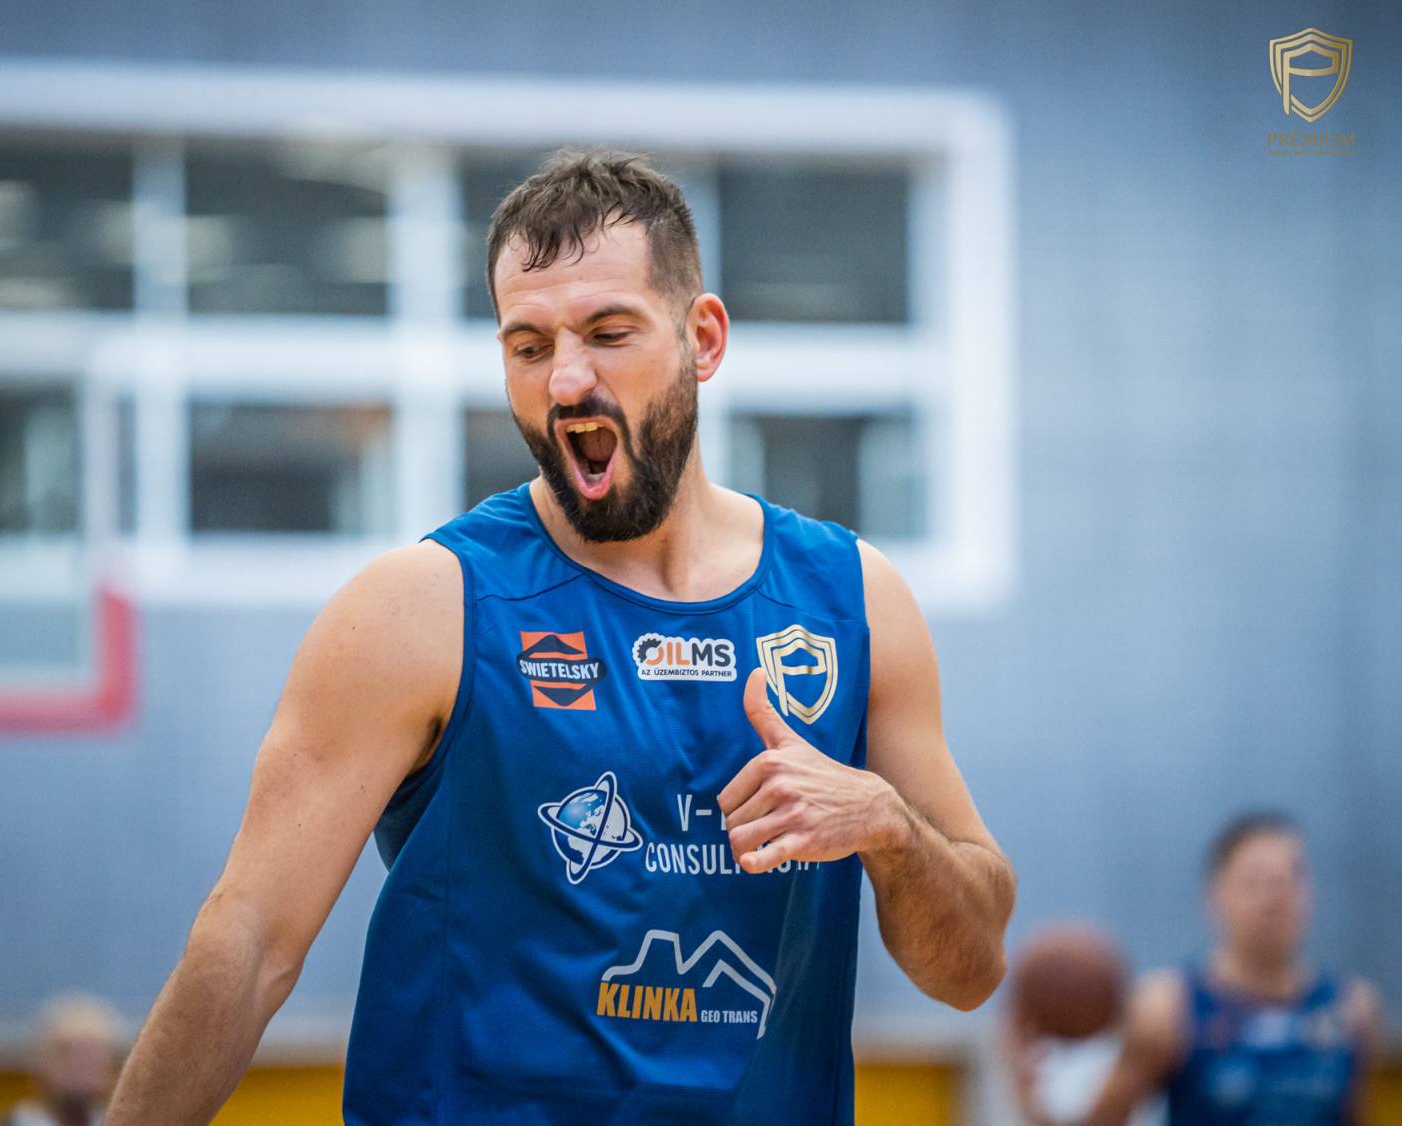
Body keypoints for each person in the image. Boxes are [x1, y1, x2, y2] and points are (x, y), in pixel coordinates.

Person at [106, 148, 1015, 1125]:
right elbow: (248, 946)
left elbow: (969, 971)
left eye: (609, 333)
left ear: (703, 339)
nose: (568, 379)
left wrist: (888, 825)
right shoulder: (422, 607)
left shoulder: (852, 600)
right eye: (529, 345)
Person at [1006, 811, 1384, 1125]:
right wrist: (1030, 1099)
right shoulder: (1168, 1008)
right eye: (1255, 882)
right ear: (1215, 896)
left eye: (1288, 880)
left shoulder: (1353, 1009)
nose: (1274, 897)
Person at [0, 994, 127, 1126]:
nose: (81, 1071)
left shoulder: (124, 1122)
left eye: (92, 1060)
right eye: (68, 1055)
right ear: (40, 1061)